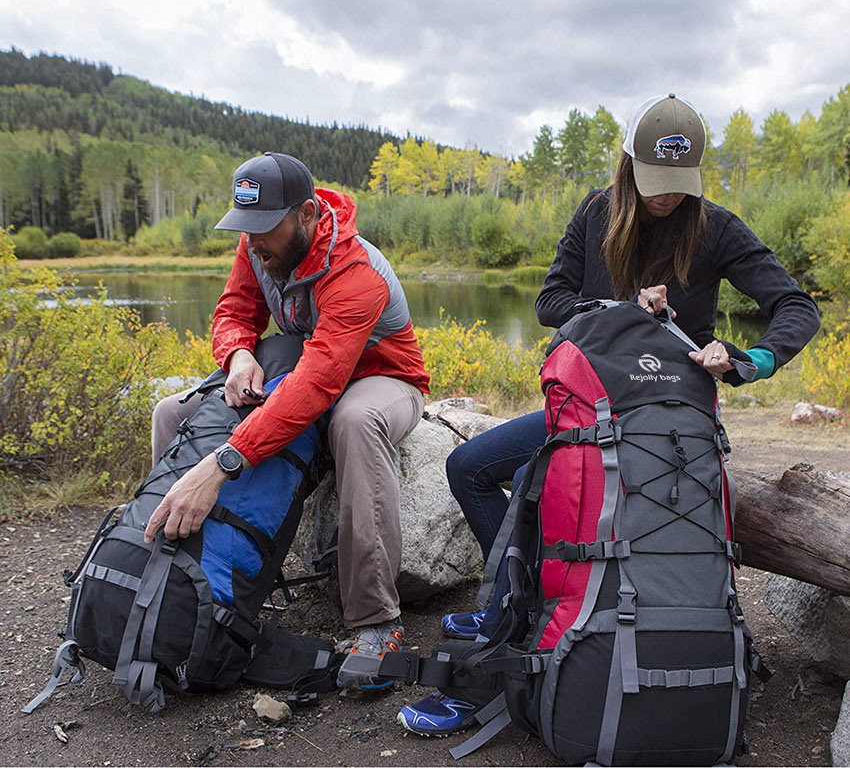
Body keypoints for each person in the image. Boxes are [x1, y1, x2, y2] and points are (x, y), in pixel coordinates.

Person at [397, 93, 821, 736]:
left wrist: (751, 359)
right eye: (655, 184)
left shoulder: (717, 228)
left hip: (668, 421)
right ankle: (527, 597)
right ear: (628, 166)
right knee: (470, 469)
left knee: (611, 531)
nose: (667, 198)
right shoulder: (598, 212)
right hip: (586, 408)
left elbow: (797, 307)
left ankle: (522, 617)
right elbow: (550, 300)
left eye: (679, 186)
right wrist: (617, 307)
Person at [146, 152, 430, 691]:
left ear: (305, 214)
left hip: (383, 380)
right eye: (244, 226)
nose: (252, 240)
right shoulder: (258, 245)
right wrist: (236, 355)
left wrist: (223, 463)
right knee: (171, 413)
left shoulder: (356, 272)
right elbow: (234, 311)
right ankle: (179, 577)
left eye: (263, 227)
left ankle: (376, 620)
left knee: (353, 420)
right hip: (300, 374)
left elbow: (319, 385)